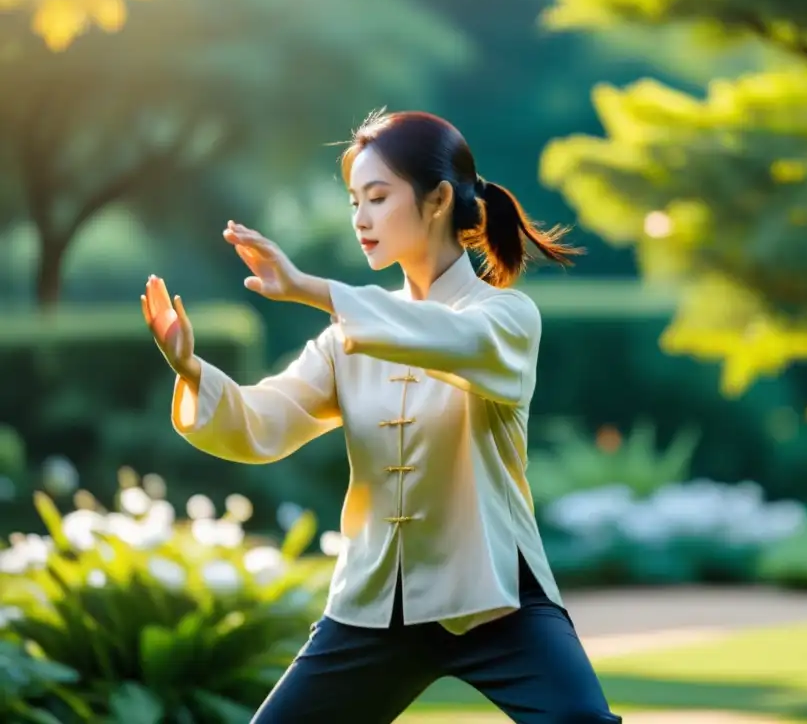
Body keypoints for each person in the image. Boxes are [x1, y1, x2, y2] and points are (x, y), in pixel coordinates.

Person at [140, 109, 622, 723]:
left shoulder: (507, 317)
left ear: (439, 198)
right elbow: (267, 421)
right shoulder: (348, 334)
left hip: (496, 596)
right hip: (375, 605)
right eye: (353, 201)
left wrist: (311, 289)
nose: (360, 219)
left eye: (377, 197)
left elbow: (450, 340)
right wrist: (191, 370)